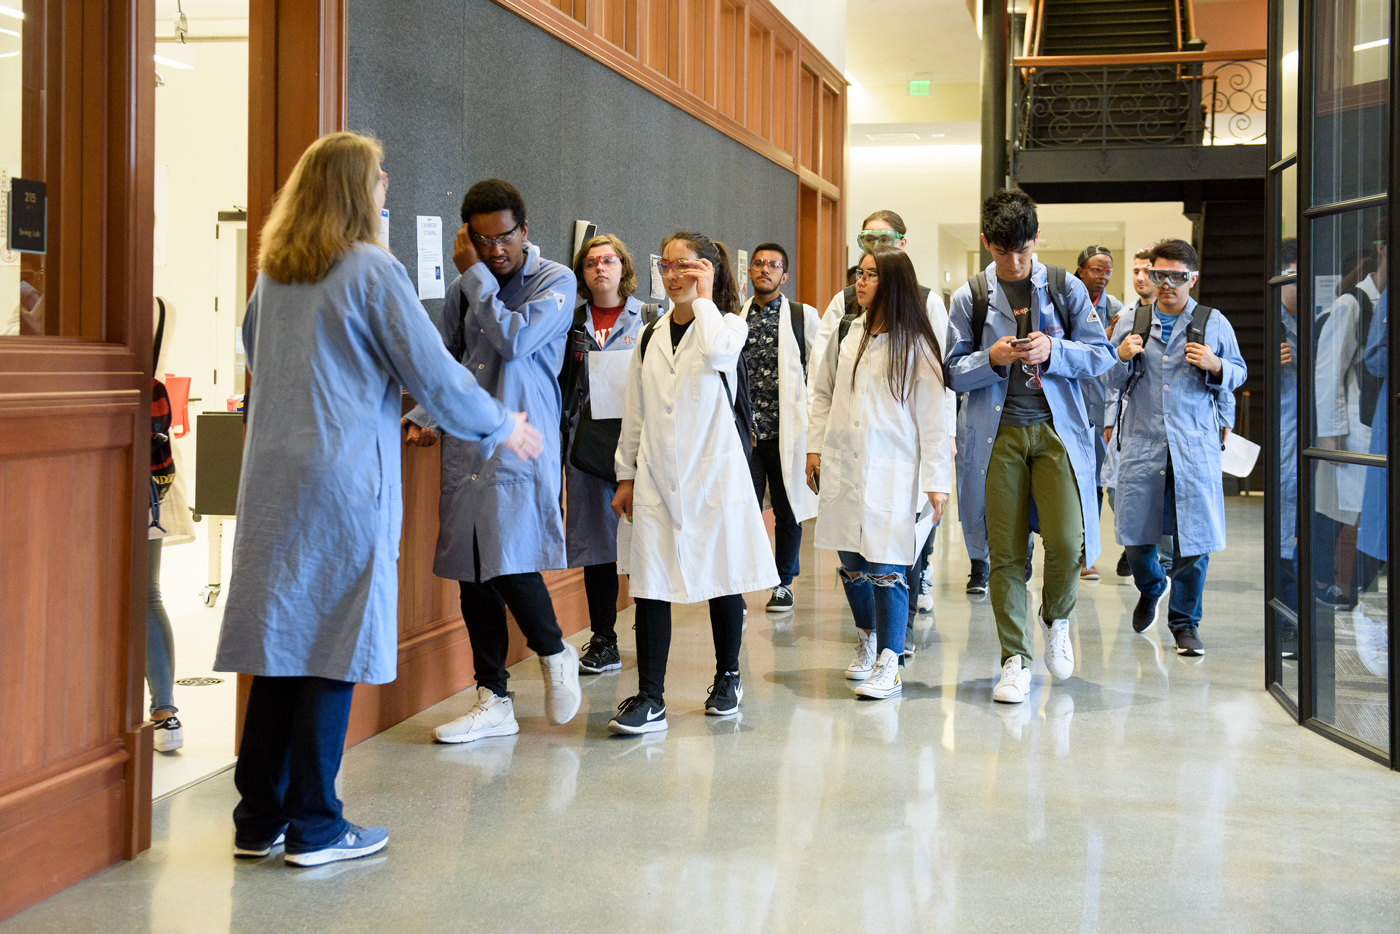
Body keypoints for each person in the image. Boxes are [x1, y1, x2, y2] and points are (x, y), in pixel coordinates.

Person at [216, 132, 543, 866]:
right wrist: (502, 425)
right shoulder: (370, 268)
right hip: (341, 482)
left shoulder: (276, 274)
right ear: (352, 191)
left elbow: (256, 355)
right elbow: (432, 371)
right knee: (331, 642)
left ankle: (257, 818)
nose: (388, 182)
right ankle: (317, 826)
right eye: (378, 175)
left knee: (280, 647)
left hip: (272, 483)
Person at [403, 179, 582, 743]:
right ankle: (492, 697)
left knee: (508, 558)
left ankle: (555, 652)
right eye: (481, 241)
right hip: (467, 442)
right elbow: (448, 361)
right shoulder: (466, 287)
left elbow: (515, 342)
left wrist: (473, 274)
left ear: (524, 230)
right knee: (472, 570)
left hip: (520, 440)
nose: (494, 250)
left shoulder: (555, 280)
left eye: (504, 237)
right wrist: (424, 417)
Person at [945, 189, 1116, 705]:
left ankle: (1057, 620)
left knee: (1068, 542)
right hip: (996, 438)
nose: (1014, 262)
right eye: (1002, 252)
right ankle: (1014, 658)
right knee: (1006, 552)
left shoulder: (1064, 286)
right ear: (986, 244)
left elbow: (1102, 356)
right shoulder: (970, 297)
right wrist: (991, 359)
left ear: (1037, 240)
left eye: (1023, 250)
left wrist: (1054, 349)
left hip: (1056, 432)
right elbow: (951, 371)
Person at [609, 232, 779, 734]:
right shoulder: (650, 334)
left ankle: (728, 676)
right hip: (659, 477)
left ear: (706, 270)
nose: (674, 275)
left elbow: (722, 355)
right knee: (650, 585)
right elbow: (635, 411)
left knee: (721, 577)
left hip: (714, 475)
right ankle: (651, 697)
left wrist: (704, 299)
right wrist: (626, 474)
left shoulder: (726, 324)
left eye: (686, 266)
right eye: (667, 266)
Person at [807, 247, 951, 698]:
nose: (860, 282)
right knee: (851, 563)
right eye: (859, 274)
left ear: (892, 282)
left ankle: (891, 660)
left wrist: (936, 481)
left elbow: (933, 419)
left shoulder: (918, 344)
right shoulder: (852, 332)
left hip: (894, 471)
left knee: (887, 565)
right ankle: (867, 641)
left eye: (871, 275)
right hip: (844, 464)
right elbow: (822, 393)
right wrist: (814, 449)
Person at [1107, 238, 1247, 657]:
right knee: (1135, 537)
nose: (1167, 284)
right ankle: (1151, 587)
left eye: (1177, 277)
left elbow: (1237, 373)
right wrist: (1119, 354)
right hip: (1143, 444)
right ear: (1149, 275)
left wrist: (1216, 364)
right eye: (1158, 275)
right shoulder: (1131, 319)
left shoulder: (1213, 322)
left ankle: (1185, 623)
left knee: (1194, 541)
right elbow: (1105, 380)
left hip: (1193, 445)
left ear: (1193, 278)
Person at [562, 235, 649, 675]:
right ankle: (603, 639)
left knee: (642, 541)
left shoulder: (648, 320)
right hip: (586, 451)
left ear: (623, 268)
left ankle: (650, 629)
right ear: (582, 272)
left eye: (609, 260)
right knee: (595, 547)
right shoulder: (570, 323)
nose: (601, 268)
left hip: (638, 449)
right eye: (592, 262)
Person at [740, 242, 820, 612]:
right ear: (750, 271)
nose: (764, 269)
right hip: (747, 435)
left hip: (786, 431)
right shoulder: (735, 319)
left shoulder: (803, 316)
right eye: (758, 264)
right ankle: (740, 583)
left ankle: (783, 582)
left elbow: (819, 376)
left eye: (773, 265)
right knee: (744, 510)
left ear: (784, 275)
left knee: (788, 511)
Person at [1313, 244, 1383, 609]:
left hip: (1375, 427)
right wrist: (1331, 436)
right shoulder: (1352, 305)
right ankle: (1340, 586)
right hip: (1355, 429)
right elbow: (1327, 374)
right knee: (1348, 514)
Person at [148, 297, 197, 754]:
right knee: (148, 593)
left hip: (106, 458)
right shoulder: (164, 306)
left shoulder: (77, 302)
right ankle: (165, 710)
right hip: (152, 469)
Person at [1073, 246, 1122, 582]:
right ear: (1080, 270)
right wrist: (1101, 340)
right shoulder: (1066, 301)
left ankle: (1124, 549)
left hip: (1106, 411)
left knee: (1111, 486)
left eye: (1107, 271)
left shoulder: (1117, 309)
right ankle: (1082, 555)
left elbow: (1123, 359)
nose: (1102, 276)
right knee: (1081, 487)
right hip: (1075, 409)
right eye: (1096, 269)